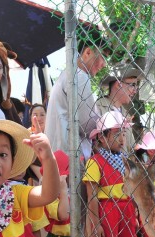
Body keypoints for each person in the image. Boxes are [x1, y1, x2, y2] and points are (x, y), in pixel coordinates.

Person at [83, 111, 149, 237]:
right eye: (116, 134)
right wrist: (96, 223)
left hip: (127, 210)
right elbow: (92, 197)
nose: (122, 139)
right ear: (101, 137)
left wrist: (136, 213)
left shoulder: (126, 160)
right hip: (107, 211)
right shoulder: (95, 162)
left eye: (124, 134)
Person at [45, 26, 110, 160]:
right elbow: (87, 125)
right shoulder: (79, 76)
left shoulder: (69, 74)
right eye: (103, 57)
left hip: (61, 154)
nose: (104, 64)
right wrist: (106, 124)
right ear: (87, 52)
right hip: (70, 157)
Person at [96, 64, 142, 150]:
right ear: (118, 84)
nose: (135, 91)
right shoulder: (98, 108)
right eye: (132, 85)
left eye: (136, 86)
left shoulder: (125, 113)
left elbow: (131, 148)